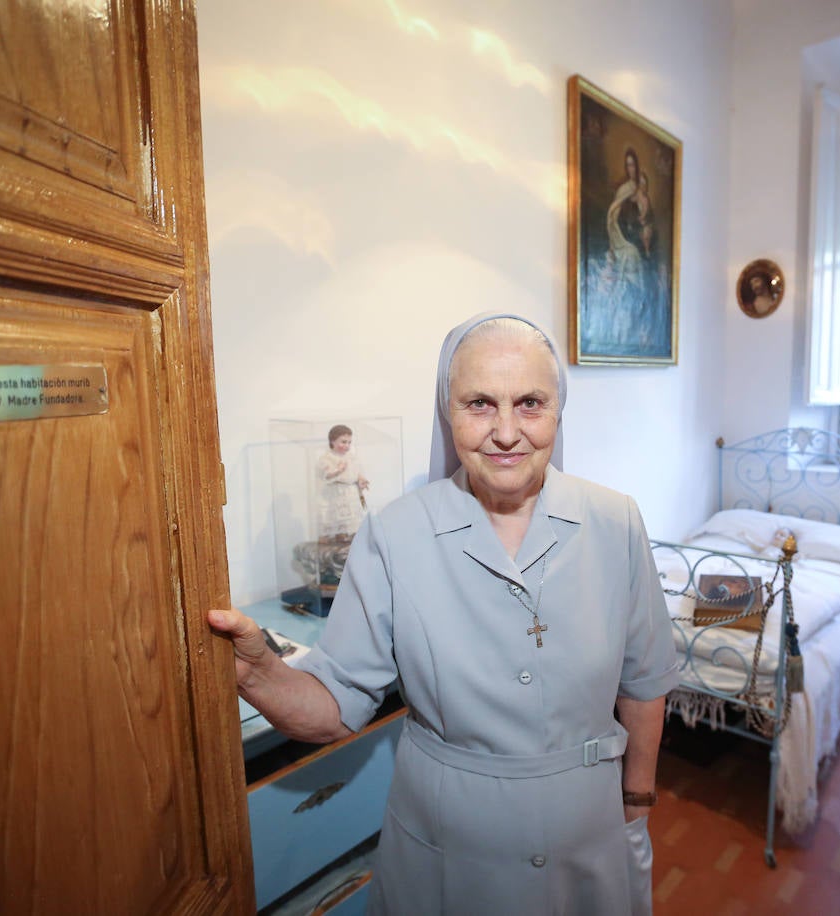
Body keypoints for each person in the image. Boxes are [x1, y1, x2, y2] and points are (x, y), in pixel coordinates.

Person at [209, 313, 679, 915]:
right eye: (480, 403)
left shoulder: (616, 522)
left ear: (559, 410)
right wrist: (257, 674)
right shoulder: (393, 534)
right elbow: (336, 706)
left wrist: (636, 804)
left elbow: (644, 684)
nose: (506, 432)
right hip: (446, 851)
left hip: (589, 836)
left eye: (530, 403)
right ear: (447, 411)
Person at [314, 423, 370, 586]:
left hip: (350, 492)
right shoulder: (326, 458)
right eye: (343, 442)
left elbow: (357, 472)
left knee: (351, 518)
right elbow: (326, 475)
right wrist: (337, 471)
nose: (346, 446)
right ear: (332, 441)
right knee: (336, 516)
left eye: (348, 442)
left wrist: (361, 480)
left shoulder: (351, 457)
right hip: (336, 492)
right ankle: (338, 537)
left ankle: (347, 538)